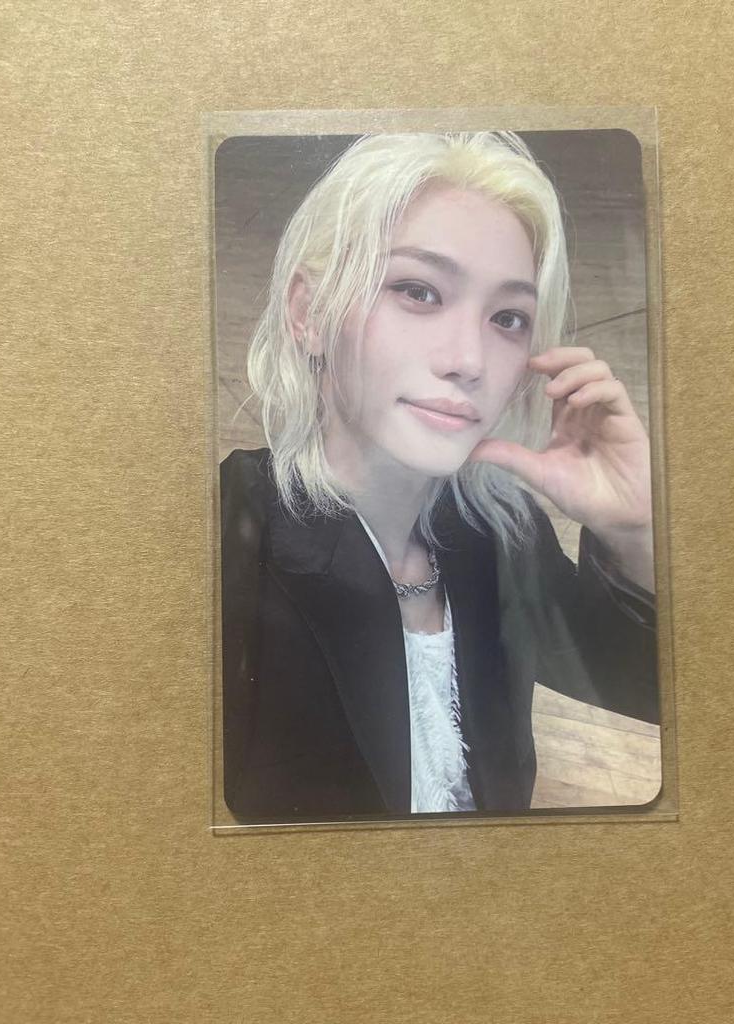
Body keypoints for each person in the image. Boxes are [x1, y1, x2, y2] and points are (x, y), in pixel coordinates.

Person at [220, 131, 658, 822]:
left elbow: (648, 687)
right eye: (418, 291)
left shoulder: (501, 529)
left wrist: (633, 531)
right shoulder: (228, 534)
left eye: (508, 318)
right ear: (309, 314)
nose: (469, 360)